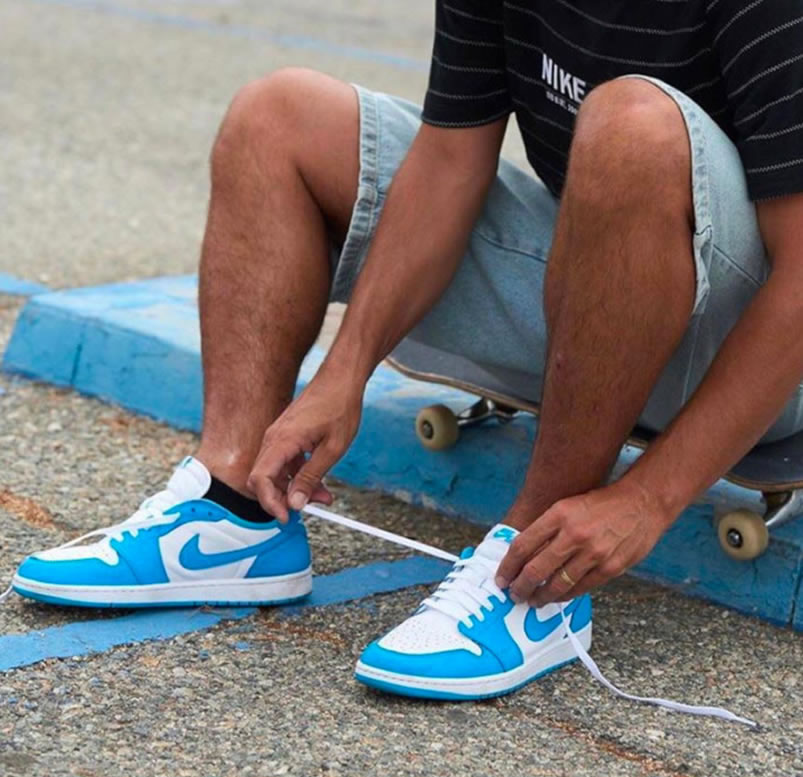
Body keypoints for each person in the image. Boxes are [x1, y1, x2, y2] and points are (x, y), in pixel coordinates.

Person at [12, 1, 803, 700]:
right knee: (276, 118)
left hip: (762, 358)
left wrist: (646, 499)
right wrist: (342, 373)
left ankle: (535, 579)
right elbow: (450, 160)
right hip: (608, 301)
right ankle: (234, 512)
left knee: (631, 122)